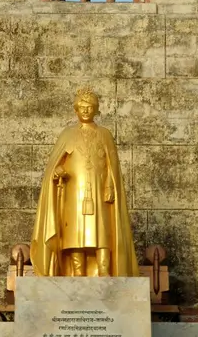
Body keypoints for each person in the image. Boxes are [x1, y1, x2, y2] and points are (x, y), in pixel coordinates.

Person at [30, 88, 139, 277]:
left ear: (96, 109)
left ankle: (105, 274)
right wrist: (57, 172)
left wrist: (109, 185)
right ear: (76, 110)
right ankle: (77, 276)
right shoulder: (67, 134)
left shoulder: (104, 134)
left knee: (104, 233)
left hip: (100, 194)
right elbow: (54, 166)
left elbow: (112, 166)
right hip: (74, 194)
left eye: (89, 107)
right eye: (82, 107)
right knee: (75, 235)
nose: (86, 110)